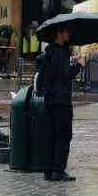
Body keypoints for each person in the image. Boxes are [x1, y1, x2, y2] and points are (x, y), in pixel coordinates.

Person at [34, 25, 75, 181]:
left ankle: (49, 170)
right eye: (67, 31)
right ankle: (58, 170)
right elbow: (65, 75)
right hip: (61, 100)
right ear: (59, 33)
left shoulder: (50, 51)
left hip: (50, 99)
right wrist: (79, 65)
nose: (69, 33)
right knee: (63, 136)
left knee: (51, 135)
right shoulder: (60, 52)